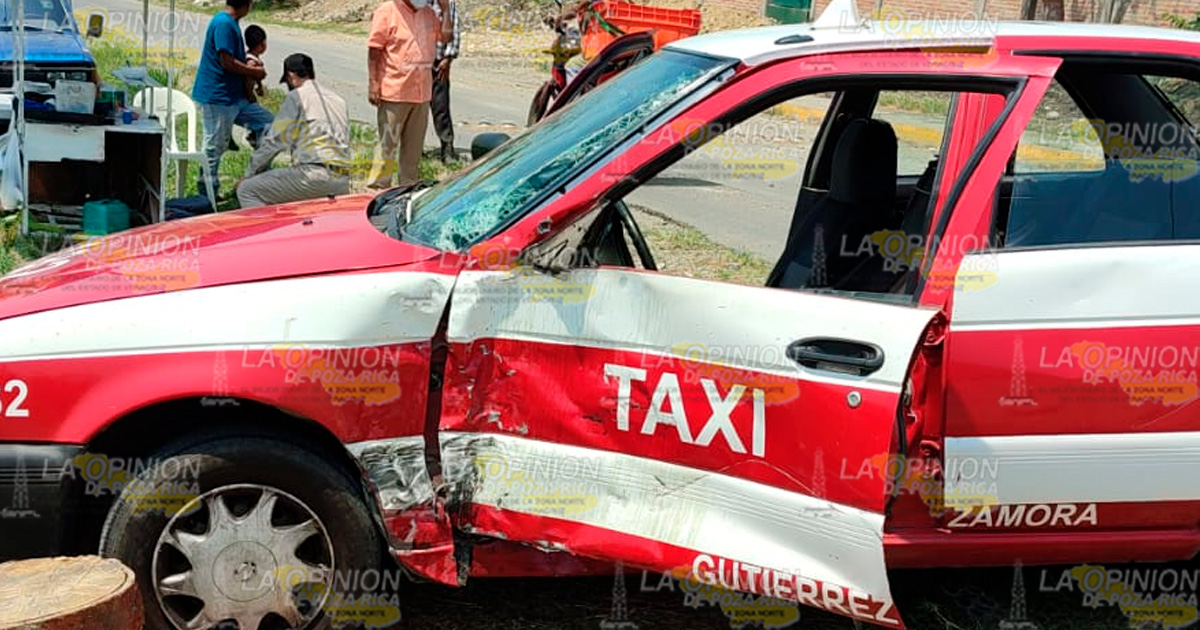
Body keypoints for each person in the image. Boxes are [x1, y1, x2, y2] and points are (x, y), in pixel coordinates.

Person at [236, 54, 352, 208]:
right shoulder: (339, 100)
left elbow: (275, 141)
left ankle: (269, 225)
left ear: (291, 76)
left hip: (314, 175)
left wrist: (248, 174)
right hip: (342, 180)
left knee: (247, 190)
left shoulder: (296, 96)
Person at [366, 0, 454, 190]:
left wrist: (446, 9)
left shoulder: (428, 13)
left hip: (421, 93)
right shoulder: (387, 11)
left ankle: (407, 189)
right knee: (387, 145)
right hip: (395, 91)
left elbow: (446, 38)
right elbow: (374, 49)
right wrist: (373, 83)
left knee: (413, 150)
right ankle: (378, 189)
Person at [192, 0, 272, 200]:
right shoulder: (223, 24)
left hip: (234, 97)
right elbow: (226, 62)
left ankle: (257, 177)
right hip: (217, 97)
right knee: (214, 147)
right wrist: (254, 72)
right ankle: (207, 195)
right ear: (247, 4)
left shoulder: (231, 23)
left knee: (269, 125)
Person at [430, 0, 459, 163]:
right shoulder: (415, 3)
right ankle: (413, 148)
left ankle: (447, 148)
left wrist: (448, 58)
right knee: (415, 110)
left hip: (439, 63)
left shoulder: (449, 3)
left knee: (441, 107)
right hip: (417, 63)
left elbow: (455, 30)